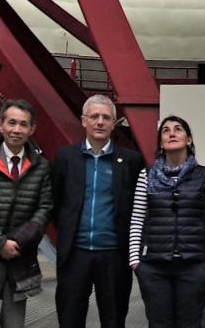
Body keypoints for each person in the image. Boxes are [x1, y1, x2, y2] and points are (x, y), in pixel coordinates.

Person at [50, 95, 145, 328]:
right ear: (84, 121)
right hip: (75, 255)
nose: (100, 122)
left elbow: (139, 207)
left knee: (113, 320)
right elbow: (55, 202)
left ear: (114, 123)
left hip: (114, 256)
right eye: (94, 117)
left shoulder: (131, 160)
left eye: (106, 117)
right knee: (70, 319)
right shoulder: (66, 157)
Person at [0, 99, 54, 328]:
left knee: (14, 323)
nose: (16, 129)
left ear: (31, 129)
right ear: (0, 124)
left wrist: (17, 242)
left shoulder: (41, 166)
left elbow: (44, 208)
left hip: (20, 259)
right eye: (11, 123)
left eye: (23, 124)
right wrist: (0, 242)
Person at [129, 115, 205, 328]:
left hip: (193, 266)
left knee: (190, 324)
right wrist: (135, 262)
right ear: (161, 142)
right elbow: (137, 219)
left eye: (178, 129)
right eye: (166, 130)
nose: (171, 133)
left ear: (189, 140)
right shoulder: (146, 175)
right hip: (153, 267)